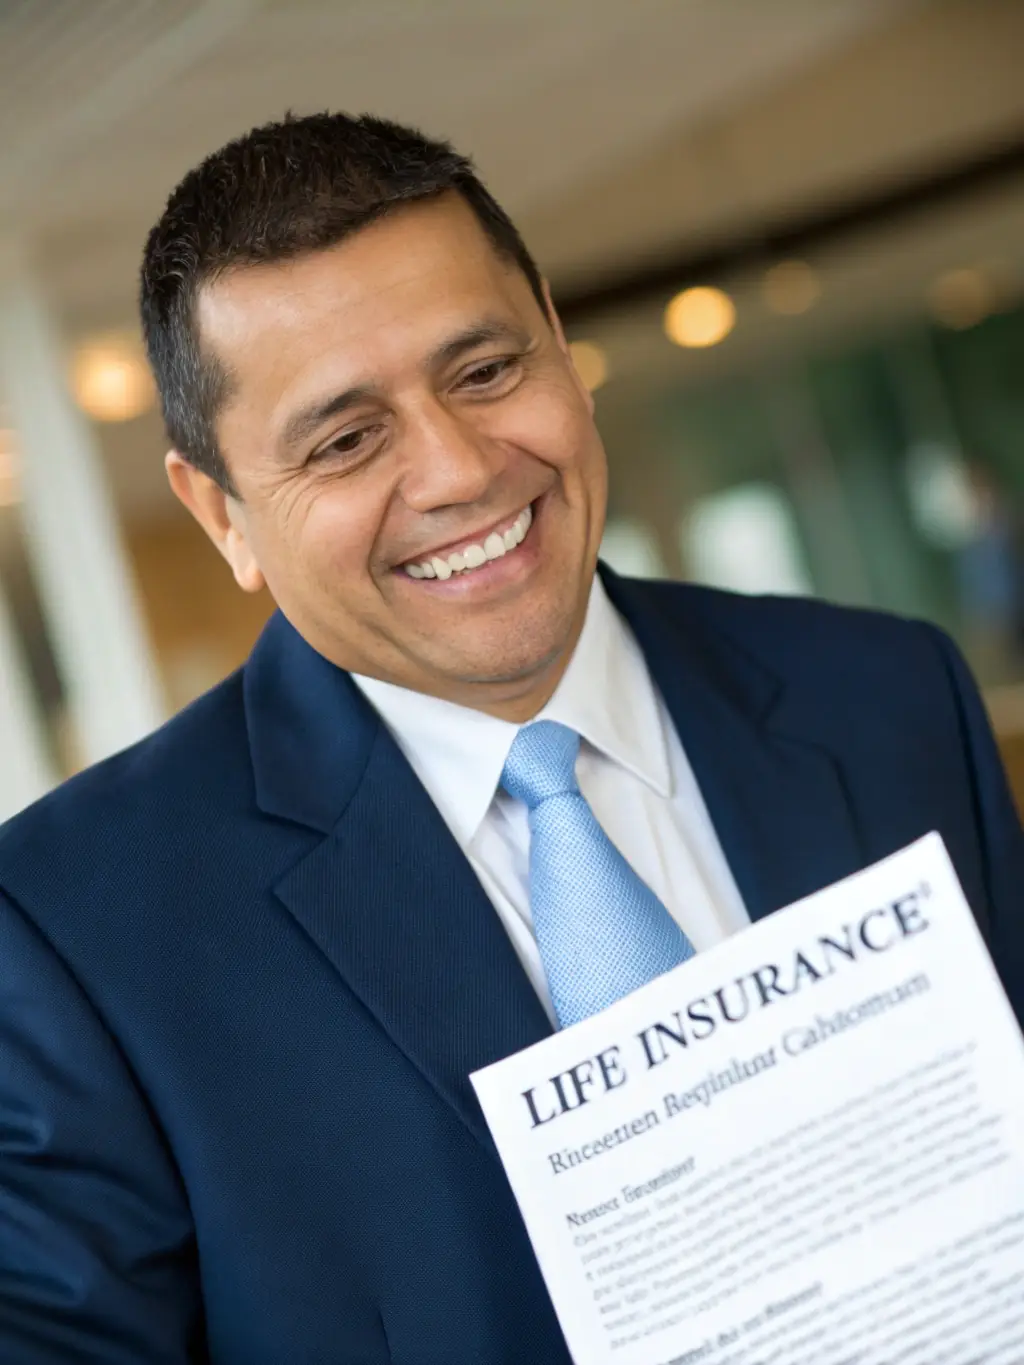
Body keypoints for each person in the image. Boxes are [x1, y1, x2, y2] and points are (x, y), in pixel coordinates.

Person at [0, 112, 1021, 1365]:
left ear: (553, 328)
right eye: (345, 440)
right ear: (222, 514)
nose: (460, 470)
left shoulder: (882, 695)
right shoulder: (74, 930)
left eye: (485, 372)